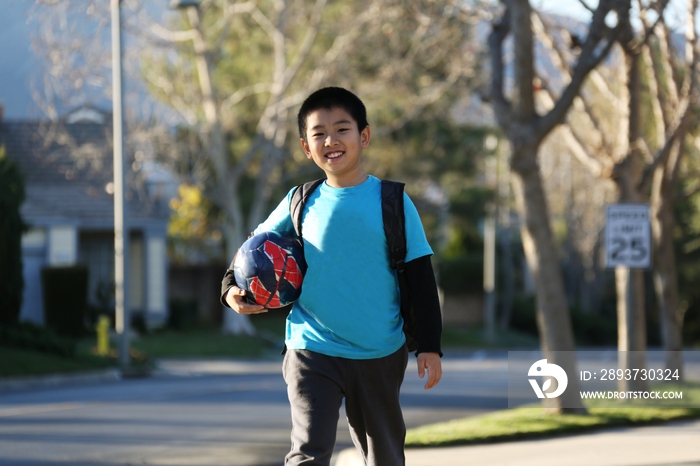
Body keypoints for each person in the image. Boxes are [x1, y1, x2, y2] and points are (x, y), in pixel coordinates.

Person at [220, 86, 442, 466]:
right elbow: (253, 251)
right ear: (306, 147)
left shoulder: (392, 201)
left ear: (364, 136)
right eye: (318, 133)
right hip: (311, 347)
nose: (331, 141)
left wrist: (431, 346)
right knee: (308, 452)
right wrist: (230, 290)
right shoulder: (299, 202)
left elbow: (421, 278)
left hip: (379, 350)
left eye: (342, 129)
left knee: (384, 456)